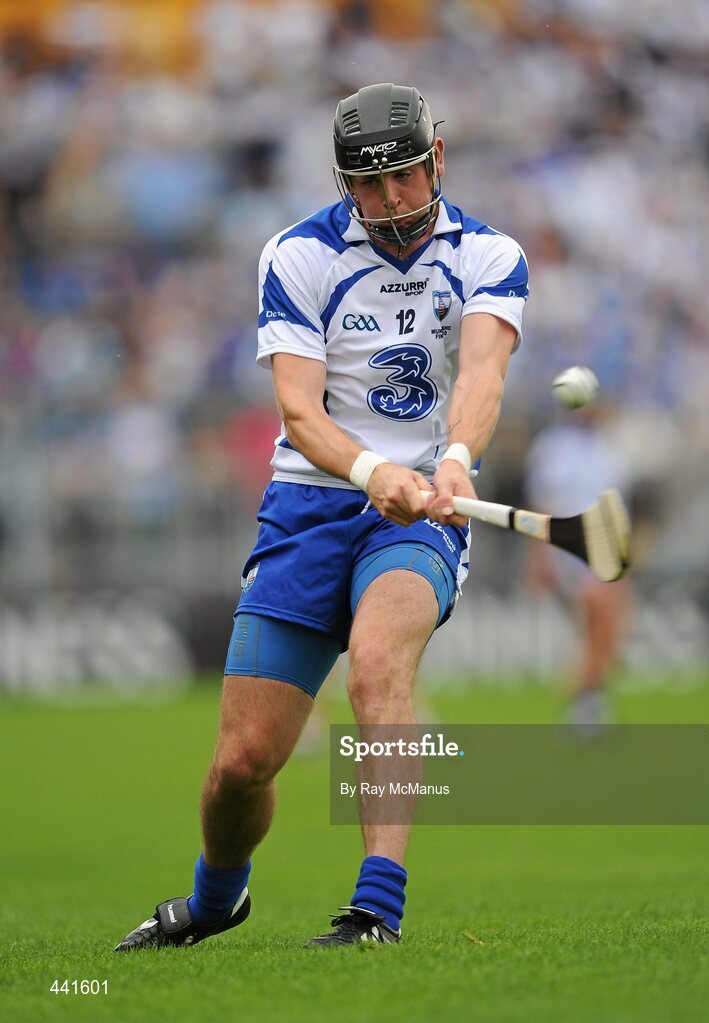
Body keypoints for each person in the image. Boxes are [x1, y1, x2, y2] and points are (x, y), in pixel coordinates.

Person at [115, 82, 528, 950]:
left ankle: (376, 908)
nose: (389, 201)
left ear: (436, 161)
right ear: (343, 184)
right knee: (241, 764)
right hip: (308, 507)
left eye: (404, 178)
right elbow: (299, 412)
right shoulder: (298, 255)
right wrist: (372, 467)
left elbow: (482, 376)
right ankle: (219, 896)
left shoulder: (489, 256)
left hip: (420, 514)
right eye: (367, 185)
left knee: (378, 666)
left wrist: (451, 462)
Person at [524, 405, 631, 733]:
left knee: (607, 626)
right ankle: (582, 694)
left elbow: (622, 503)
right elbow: (539, 503)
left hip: (607, 545)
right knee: (600, 620)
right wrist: (539, 557)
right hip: (568, 547)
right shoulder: (554, 446)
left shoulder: (612, 447)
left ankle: (588, 699)